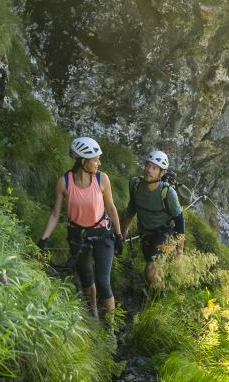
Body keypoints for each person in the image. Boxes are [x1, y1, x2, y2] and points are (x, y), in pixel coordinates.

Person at [38, 136, 123, 318]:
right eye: (95, 159)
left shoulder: (102, 179)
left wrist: (119, 235)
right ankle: (93, 315)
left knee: (102, 282)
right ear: (83, 161)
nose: (99, 163)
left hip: (102, 234)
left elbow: (110, 207)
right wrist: (44, 239)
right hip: (78, 236)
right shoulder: (64, 182)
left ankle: (110, 329)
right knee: (86, 279)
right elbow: (55, 214)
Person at [122, 150, 185, 290]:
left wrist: (179, 250)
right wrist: (123, 232)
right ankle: (160, 296)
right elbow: (131, 210)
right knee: (155, 270)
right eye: (148, 166)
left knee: (150, 271)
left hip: (166, 234)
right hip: (146, 234)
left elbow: (180, 221)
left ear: (161, 173)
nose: (149, 170)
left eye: (154, 168)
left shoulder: (168, 193)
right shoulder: (135, 184)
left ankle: (156, 301)